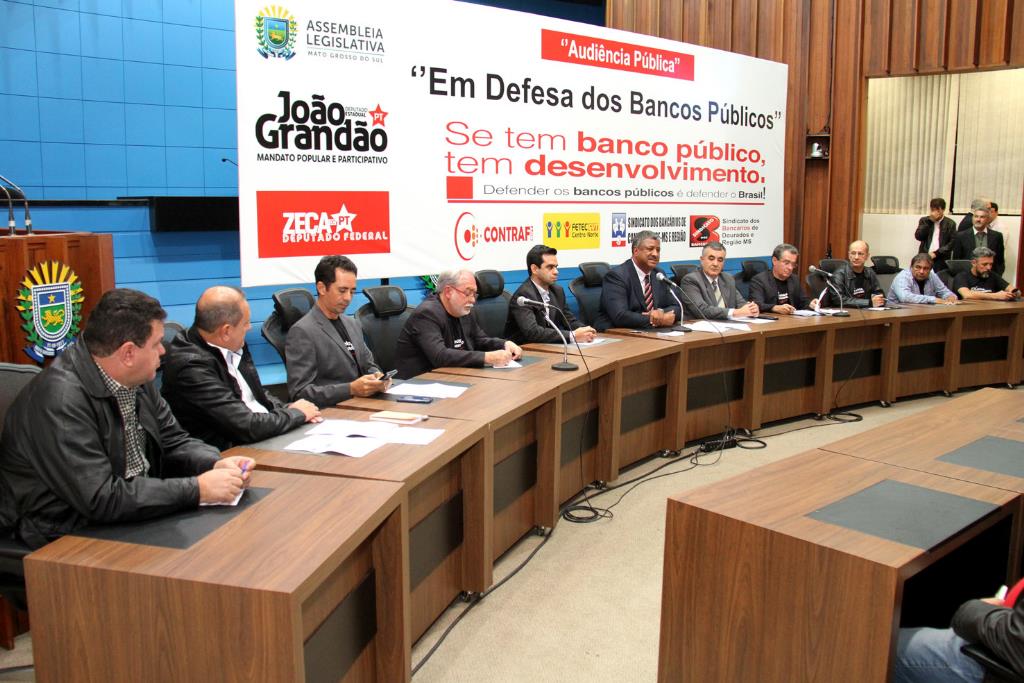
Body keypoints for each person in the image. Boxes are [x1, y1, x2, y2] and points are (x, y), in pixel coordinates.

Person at [0, 289, 253, 549]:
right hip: (62, 533)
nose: (163, 351)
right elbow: (100, 497)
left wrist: (214, 463)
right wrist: (196, 489)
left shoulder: (136, 378)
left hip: (130, 511)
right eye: (156, 344)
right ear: (128, 353)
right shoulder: (60, 400)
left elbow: (174, 440)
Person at [161, 286, 321, 450]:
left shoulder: (231, 343)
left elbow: (257, 395)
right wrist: (296, 414)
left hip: (261, 436)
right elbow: (246, 426)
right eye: (245, 323)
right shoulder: (191, 368)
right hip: (229, 452)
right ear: (226, 331)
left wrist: (288, 409)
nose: (249, 327)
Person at [286, 255, 389, 408]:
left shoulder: (353, 324)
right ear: (321, 288)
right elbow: (299, 392)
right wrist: (350, 389)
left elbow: (368, 365)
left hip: (363, 405)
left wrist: (377, 377)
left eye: (352, 291)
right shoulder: (302, 331)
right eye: (342, 290)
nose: (348, 298)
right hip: (331, 411)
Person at [395, 269, 522, 379]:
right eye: (467, 293)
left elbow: (480, 340)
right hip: (420, 383)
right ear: (448, 292)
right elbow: (440, 356)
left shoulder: (463, 310)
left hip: (453, 377)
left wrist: (504, 344)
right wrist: (487, 357)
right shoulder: (426, 314)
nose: (472, 299)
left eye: (474, 294)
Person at [893, 587, 1024, 682]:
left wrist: (972, 610)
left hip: (997, 662)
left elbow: (1016, 640)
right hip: (1007, 626)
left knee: (891, 650)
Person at [506, 245, 596, 344]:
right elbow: (533, 332)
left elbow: (569, 321)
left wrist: (585, 330)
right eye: (550, 267)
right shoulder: (523, 296)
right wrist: (572, 336)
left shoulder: (557, 291)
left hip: (549, 346)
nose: (556, 272)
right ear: (534, 269)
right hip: (525, 348)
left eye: (556, 267)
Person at [594, 230, 681, 330]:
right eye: (650, 249)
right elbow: (620, 316)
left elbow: (677, 307)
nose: (655, 254)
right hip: (618, 333)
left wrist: (660, 312)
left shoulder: (658, 274)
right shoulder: (617, 276)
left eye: (658, 250)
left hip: (650, 332)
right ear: (636, 251)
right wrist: (657, 320)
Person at [681, 241, 760, 320]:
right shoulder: (691, 280)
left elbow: (740, 303)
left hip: (730, 325)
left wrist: (751, 309)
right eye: (711, 259)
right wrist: (735, 313)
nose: (715, 264)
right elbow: (701, 310)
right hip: (702, 325)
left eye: (720, 260)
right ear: (702, 260)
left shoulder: (728, 278)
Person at [749, 243, 817, 314]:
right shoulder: (760, 280)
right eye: (786, 263)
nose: (790, 268)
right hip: (773, 319)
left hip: (792, 319)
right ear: (774, 261)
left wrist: (810, 304)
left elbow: (803, 301)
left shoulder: (794, 279)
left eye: (793, 264)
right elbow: (757, 304)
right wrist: (774, 308)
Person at [828, 240, 886, 308]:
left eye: (860, 254)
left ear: (867, 256)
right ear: (849, 255)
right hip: (847, 312)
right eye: (853, 253)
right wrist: (869, 303)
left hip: (867, 311)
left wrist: (879, 300)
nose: (856, 257)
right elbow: (838, 299)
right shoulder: (839, 274)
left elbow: (879, 293)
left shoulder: (870, 272)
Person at [952, 207, 1006, 276]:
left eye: (982, 217)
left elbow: (1000, 261)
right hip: (968, 277)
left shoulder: (997, 236)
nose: (978, 219)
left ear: (988, 219)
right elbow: (957, 261)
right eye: (976, 216)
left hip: (990, 276)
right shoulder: (961, 236)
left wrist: (997, 276)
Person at [886, 253, 958, 305]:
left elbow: (944, 291)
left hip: (922, 312)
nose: (921, 271)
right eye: (918, 267)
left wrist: (950, 297)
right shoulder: (903, 277)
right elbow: (904, 297)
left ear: (930, 269)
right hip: (897, 313)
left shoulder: (932, 276)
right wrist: (933, 299)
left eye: (926, 268)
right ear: (911, 267)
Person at [953, 247, 1019, 301]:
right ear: (974, 263)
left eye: (991, 264)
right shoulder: (961, 276)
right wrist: (995, 296)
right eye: (984, 264)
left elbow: (1012, 289)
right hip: (970, 310)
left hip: (991, 309)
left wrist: (1014, 293)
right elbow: (967, 295)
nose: (989, 268)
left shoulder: (992, 275)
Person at [915, 197, 957, 272]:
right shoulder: (924, 220)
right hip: (925, 256)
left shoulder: (950, 223)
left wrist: (937, 253)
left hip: (941, 257)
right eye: (932, 210)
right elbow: (919, 236)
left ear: (943, 210)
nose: (935, 213)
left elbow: (952, 243)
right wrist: (930, 222)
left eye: (938, 210)